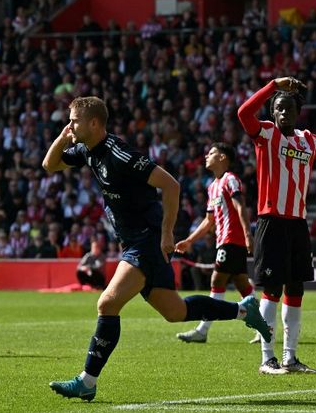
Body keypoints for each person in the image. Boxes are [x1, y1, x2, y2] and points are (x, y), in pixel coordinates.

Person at [43, 96, 271, 402]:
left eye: (74, 120)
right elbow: (49, 165)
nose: (70, 125)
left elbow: (171, 185)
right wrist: (62, 137)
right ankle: (245, 310)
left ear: (94, 123)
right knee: (175, 312)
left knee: (107, 304)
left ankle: (87, 380)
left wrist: (166, 233)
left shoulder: (119, 153)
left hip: (146, 240)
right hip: (134, 241)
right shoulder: (87, 150)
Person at [237, 76, 316, 374]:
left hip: (298, 225)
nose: (283, 113)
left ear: (297, 112)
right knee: (271, 290)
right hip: (271, 222)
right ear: (272, 112)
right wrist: (272, 86)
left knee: (295, 291)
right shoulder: (265, 134)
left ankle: (289, 358)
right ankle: (267, 358)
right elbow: (243, 113)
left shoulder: (309, 140)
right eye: (278, 108)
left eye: (288, 109)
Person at [174, 142, 256, 343]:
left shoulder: (231, 180)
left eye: (211, 153)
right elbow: (209, 220)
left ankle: (203, 330)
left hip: (232, 239)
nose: (206, 156)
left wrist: (247, 234)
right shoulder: (212, 187)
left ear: (222, 158)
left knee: (216, 281)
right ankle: (267, 323)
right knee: (242, 284)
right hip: (224, 240)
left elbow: (240, 206)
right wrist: (190, 240)